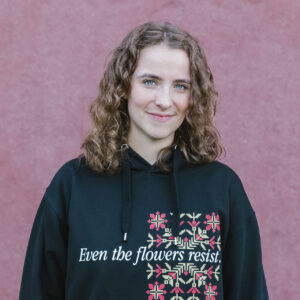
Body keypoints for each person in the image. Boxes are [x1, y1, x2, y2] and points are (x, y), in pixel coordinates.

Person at [19, 21, 269, 300]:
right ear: (124, 86)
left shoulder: (221, 188)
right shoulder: (73, 185)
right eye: (150, 81)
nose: (164, 100)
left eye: (180, 86)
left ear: (194, 96)